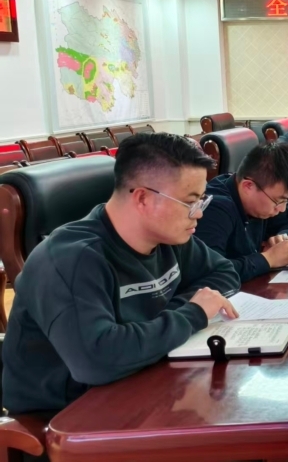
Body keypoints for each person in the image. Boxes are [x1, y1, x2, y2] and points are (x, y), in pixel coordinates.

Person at [2, 133, 240, 417]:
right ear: (143, 198)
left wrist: (171, 315)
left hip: (140, 379)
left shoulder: (168, 237)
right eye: (190, 202)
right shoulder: (73, 259)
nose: (198, 214)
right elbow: (97, 361)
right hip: (67, 416)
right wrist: (192, 314)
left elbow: (224, 272)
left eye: (201, 201)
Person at [194, 142, 288, 283]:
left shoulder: (261, 199)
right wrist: (268, 259)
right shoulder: (215, 208)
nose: (282, 209)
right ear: (248, 186)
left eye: (286, 201)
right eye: (279, 201)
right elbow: (210, 273)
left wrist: (284, 238)